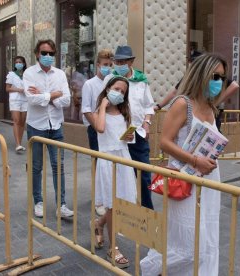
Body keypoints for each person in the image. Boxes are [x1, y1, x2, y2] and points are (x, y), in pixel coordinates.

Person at [140, 54, 226, 275]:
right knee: (186, 240)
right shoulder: (182, 103)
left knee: (208, 236)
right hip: (184, 180)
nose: (218, 82)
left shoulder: (211, 106)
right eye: (215, 76)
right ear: (201, 74)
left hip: (210, 180)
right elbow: (164, 143)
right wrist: (196, 160)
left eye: (222, 78)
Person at [23, 39, 74, 218]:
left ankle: (62, 205)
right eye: (44, 53)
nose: (47, 56)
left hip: (56, 125)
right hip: (36, 126)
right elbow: (31, 99)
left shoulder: (59, 74)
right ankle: (38, 201)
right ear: (37, 54)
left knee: (58, 166)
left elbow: (67, 100)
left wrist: (45, 96)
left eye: (51, 53)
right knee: (36, 166)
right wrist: (54, 95)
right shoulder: (29, 73)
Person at [92, 76, 136, 268]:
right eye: (116, 89)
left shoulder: (124, 112)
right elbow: (100, 128)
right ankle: (113, 248)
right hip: (108, 161)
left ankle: (100, 223)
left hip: (124, 159)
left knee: (121, 203)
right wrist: (102, 106)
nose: (119, 93)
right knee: (111, 204)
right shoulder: (98, 112)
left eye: (123, 92)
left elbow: (125, 139)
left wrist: (130, 136)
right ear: (108, 88)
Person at [103, 45, 155, 209]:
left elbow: (149, 105)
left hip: (138, 135)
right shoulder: (110, 80)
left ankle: (147, 214)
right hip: (119, 137)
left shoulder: (141, 81)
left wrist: (147, 123)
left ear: (131, 62)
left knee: (144, 176)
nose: (119, 64)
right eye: (117, 61)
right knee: (121, 178)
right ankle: (122, 214)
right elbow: (103, 106)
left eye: (123, 61)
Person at [81, 49, 114, 216]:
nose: (107, 67)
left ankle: (109, 196)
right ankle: (99, 200)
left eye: (110, 64)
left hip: (111, 129)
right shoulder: (89, 84)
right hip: (95, 129)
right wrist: (96, 126)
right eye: (104, 65)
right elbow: (86, 109)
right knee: (98, 163)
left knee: (108, 164)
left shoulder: (113, 83)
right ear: (98, 65)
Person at [6, 56, 28, 152]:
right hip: (15, 100)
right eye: (16, 62)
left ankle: (20, 142)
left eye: (20, 62)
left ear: (23, 64)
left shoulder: (26, 75)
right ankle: (17, 144)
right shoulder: (11, 74)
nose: (18, 64)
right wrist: (18, 90)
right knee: (16, 120)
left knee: (22, 122)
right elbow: (7, 88)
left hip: (25, 100)